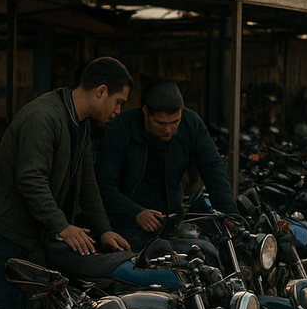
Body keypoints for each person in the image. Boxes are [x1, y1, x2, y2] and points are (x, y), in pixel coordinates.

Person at [0, 57, 132, 309]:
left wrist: (104, 230)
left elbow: (88, 181)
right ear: (101, 91)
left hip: (30, 236)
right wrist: (63, 227)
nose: (118, 112)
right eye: (119, 102)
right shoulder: (43, 116)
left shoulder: (81, 124)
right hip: (1, 232)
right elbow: (31, 178)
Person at [94, 80, 240, 250]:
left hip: (172, 225)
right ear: (146, 112)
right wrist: (135, 212)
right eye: (161, 123)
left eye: (175, 122)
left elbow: (214, 171)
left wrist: (232, 218)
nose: (169, 129)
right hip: (123, 227)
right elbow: (103, 186)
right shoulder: (118, 130)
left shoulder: (190, 122)